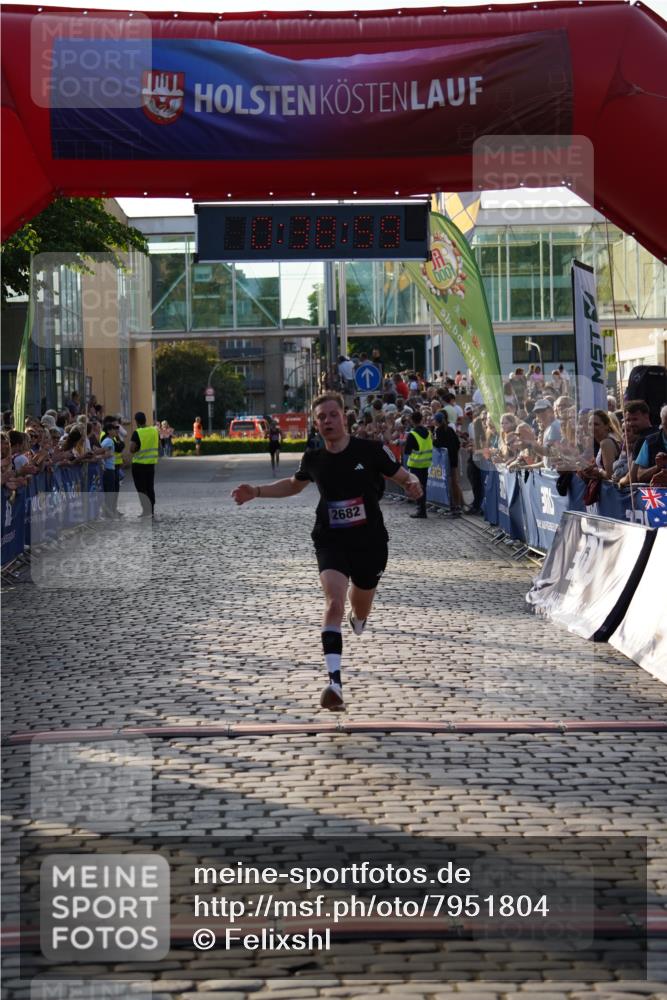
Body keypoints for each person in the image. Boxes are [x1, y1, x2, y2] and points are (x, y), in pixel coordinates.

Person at [231, 392, 423, 713]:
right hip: (331, 539)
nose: (328, 421)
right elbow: (294, 484)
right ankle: (334, 683)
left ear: (344, 417)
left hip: (370, 542)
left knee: (359, 608)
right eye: (321, 417)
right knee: (333, 601)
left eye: (333, 415)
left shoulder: (371, 451)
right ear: (316, 423)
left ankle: (358, 616)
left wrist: (413, 483)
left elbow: (402, 476)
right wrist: (258, 491)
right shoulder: (314, 458)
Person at [403, 409, 432, 519]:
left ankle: (421, 511)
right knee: (423, 487)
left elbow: (407, 451)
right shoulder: (428, 432)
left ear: (412, 421)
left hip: (415, 465)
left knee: (417, 488)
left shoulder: (413, 434)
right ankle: (422, 510)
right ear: (421, 419)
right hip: (426, 464)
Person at [433, 411, 463, 516]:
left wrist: (433, 441)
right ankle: (458, 505)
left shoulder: (439, 431)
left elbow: (438, 444)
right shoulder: (450, 429)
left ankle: (452, 506)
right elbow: (458, 443)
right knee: (454, 483)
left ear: (437, 421)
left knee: (449, 483)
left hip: (446, 461)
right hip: (453, 459)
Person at [130, 411, 159, 518]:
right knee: (150, 487)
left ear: (137, 421)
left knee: (141, 489)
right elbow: (159, 445)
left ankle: (145, 511)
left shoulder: (137, 432)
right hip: (151, 465)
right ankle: (151, 510)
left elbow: (132, 449)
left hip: (138, 465)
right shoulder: (154, 430)